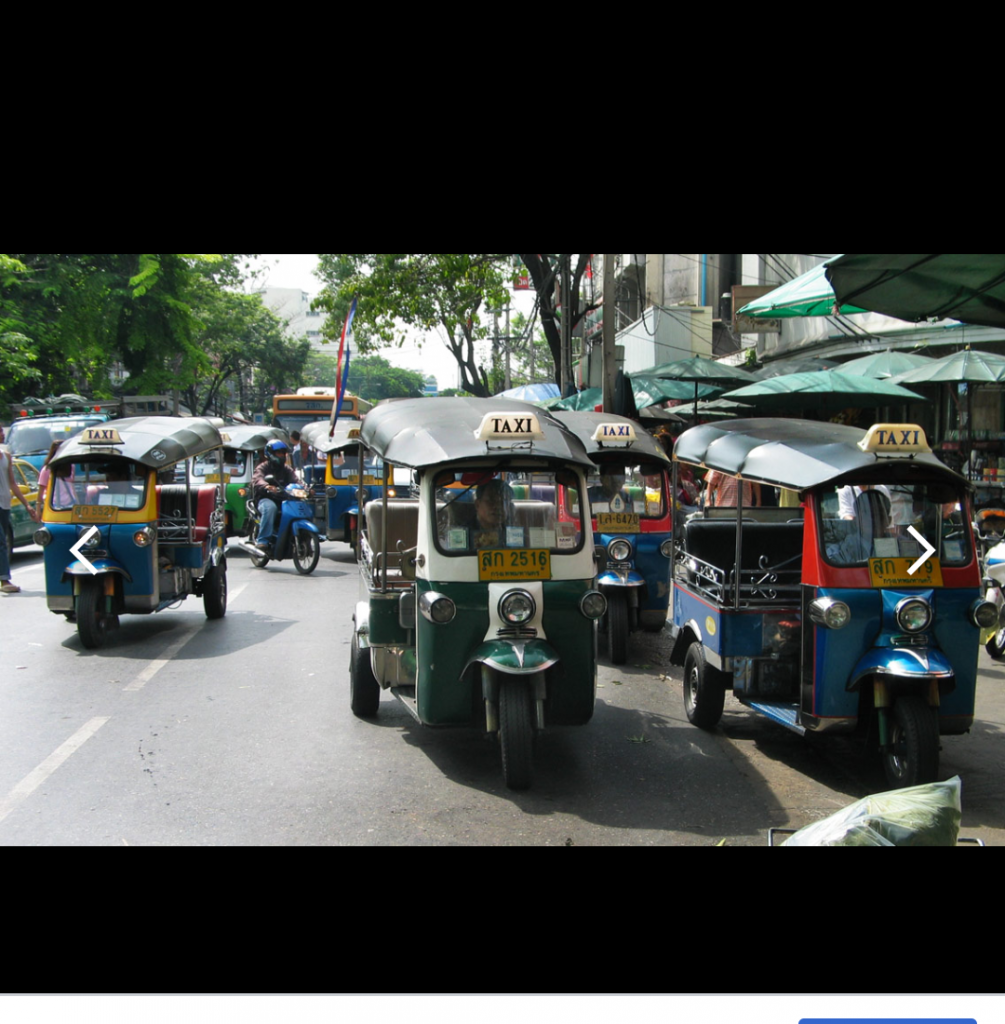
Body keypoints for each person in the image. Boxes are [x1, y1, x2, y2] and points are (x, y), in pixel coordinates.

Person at [0, 425, 40, 594]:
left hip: (5, 504)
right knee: (1, 542)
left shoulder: (6, 456)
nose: (2, 434)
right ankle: (4, 579)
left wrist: (27, 505)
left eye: (1, 431)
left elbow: (13, 484)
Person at [252, 440, 297, 557]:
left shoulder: (286, 469)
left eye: (283, 453)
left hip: (283, 499)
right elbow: (258, 479)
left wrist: (306, 489)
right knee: (270, 508)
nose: (281, 455)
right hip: (265, 498)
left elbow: (296, 480)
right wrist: (266, 486)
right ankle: (263, 540)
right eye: (278, 453)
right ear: (270, 454)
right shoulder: (263, 467)